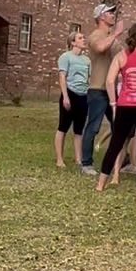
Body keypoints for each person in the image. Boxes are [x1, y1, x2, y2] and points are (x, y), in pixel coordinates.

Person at [97, 22, 136, 197]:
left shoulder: (120, 56)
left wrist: (113, 103)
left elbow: (110, 81)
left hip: (124, 105)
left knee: (115, 144)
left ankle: (101, 184)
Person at [81, 3, 125, 173]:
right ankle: (86, 163)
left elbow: (123, 56)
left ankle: (124, 161)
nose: (113, 15)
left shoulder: (112, 38)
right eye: (109, 12)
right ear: (100, 17)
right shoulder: (95, 35)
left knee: (120, 126)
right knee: (93, 126)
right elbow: (100, 47)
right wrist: (116, 33)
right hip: (97, 89)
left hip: (112, 90)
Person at [55, 27, 91, 169]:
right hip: (70, 93)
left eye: (83, 38)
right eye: (80, 38)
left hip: (83, 95)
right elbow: (62, 76)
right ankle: (59, 159)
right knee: (63, 127)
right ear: (73, 42)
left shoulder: (87, 60)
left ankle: (78, 159)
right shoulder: (66, 57)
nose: (84, 40)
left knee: (79, 129)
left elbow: (90, 77)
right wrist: (65, 96)